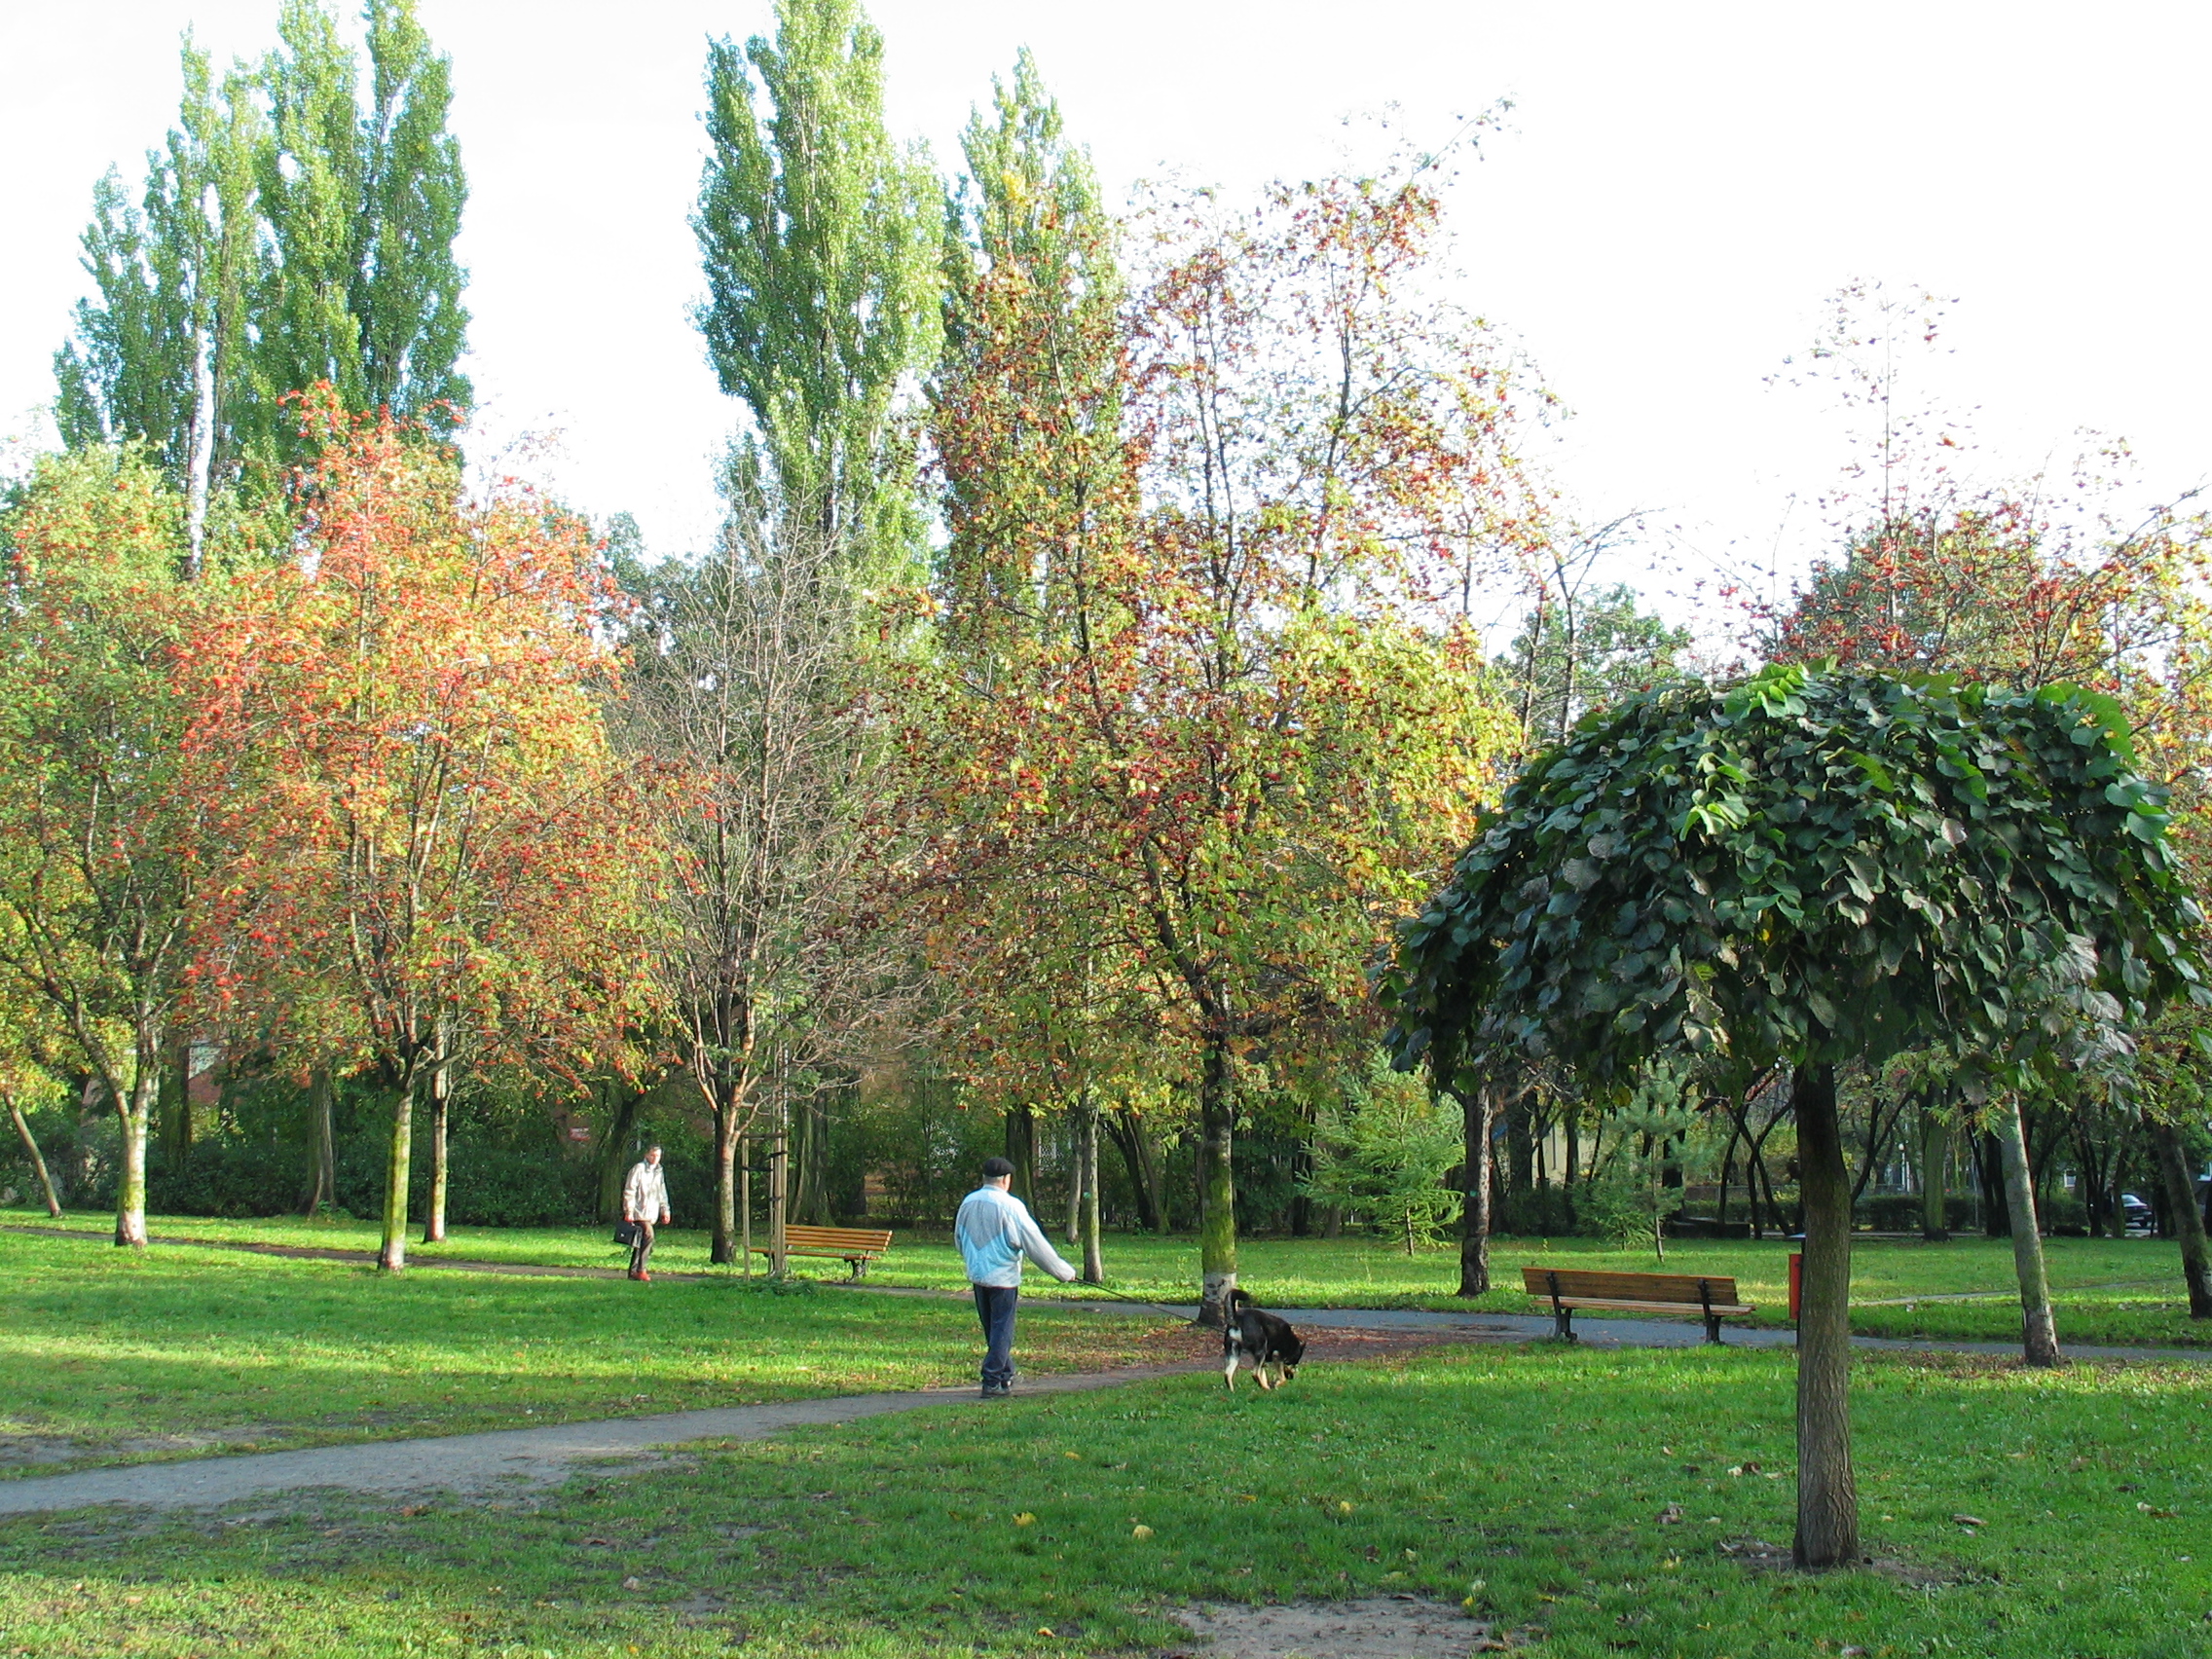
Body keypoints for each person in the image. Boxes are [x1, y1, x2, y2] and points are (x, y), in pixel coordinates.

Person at [954, 1155, 1077, 1399]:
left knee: (992, 1329)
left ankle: (1005, 1374)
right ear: (1006, 1180)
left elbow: (959, 1238)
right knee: (1002, 1330)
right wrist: (1064, 1273)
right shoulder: (1011, 1206)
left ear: (985, 1178)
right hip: (1003, 1278)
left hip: (977, 1275)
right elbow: (1035, 1244)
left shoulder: (968, 1202)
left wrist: (973, 1260)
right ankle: (991, 1380)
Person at [622, 1145, 671, 1281]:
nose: (655, 1158)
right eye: (652, 1155)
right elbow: (630, 1190)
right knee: (649, 1235)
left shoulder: (659, 1171)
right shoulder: (638, 1169)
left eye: (658, 1156)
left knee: (641, 1240)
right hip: (638, 1211)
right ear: (646, 1155)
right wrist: (629, 1210)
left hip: (651, 1213)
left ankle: (633, 1271)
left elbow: (662, 1192)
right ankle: (641, 1270)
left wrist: (665, 1210)